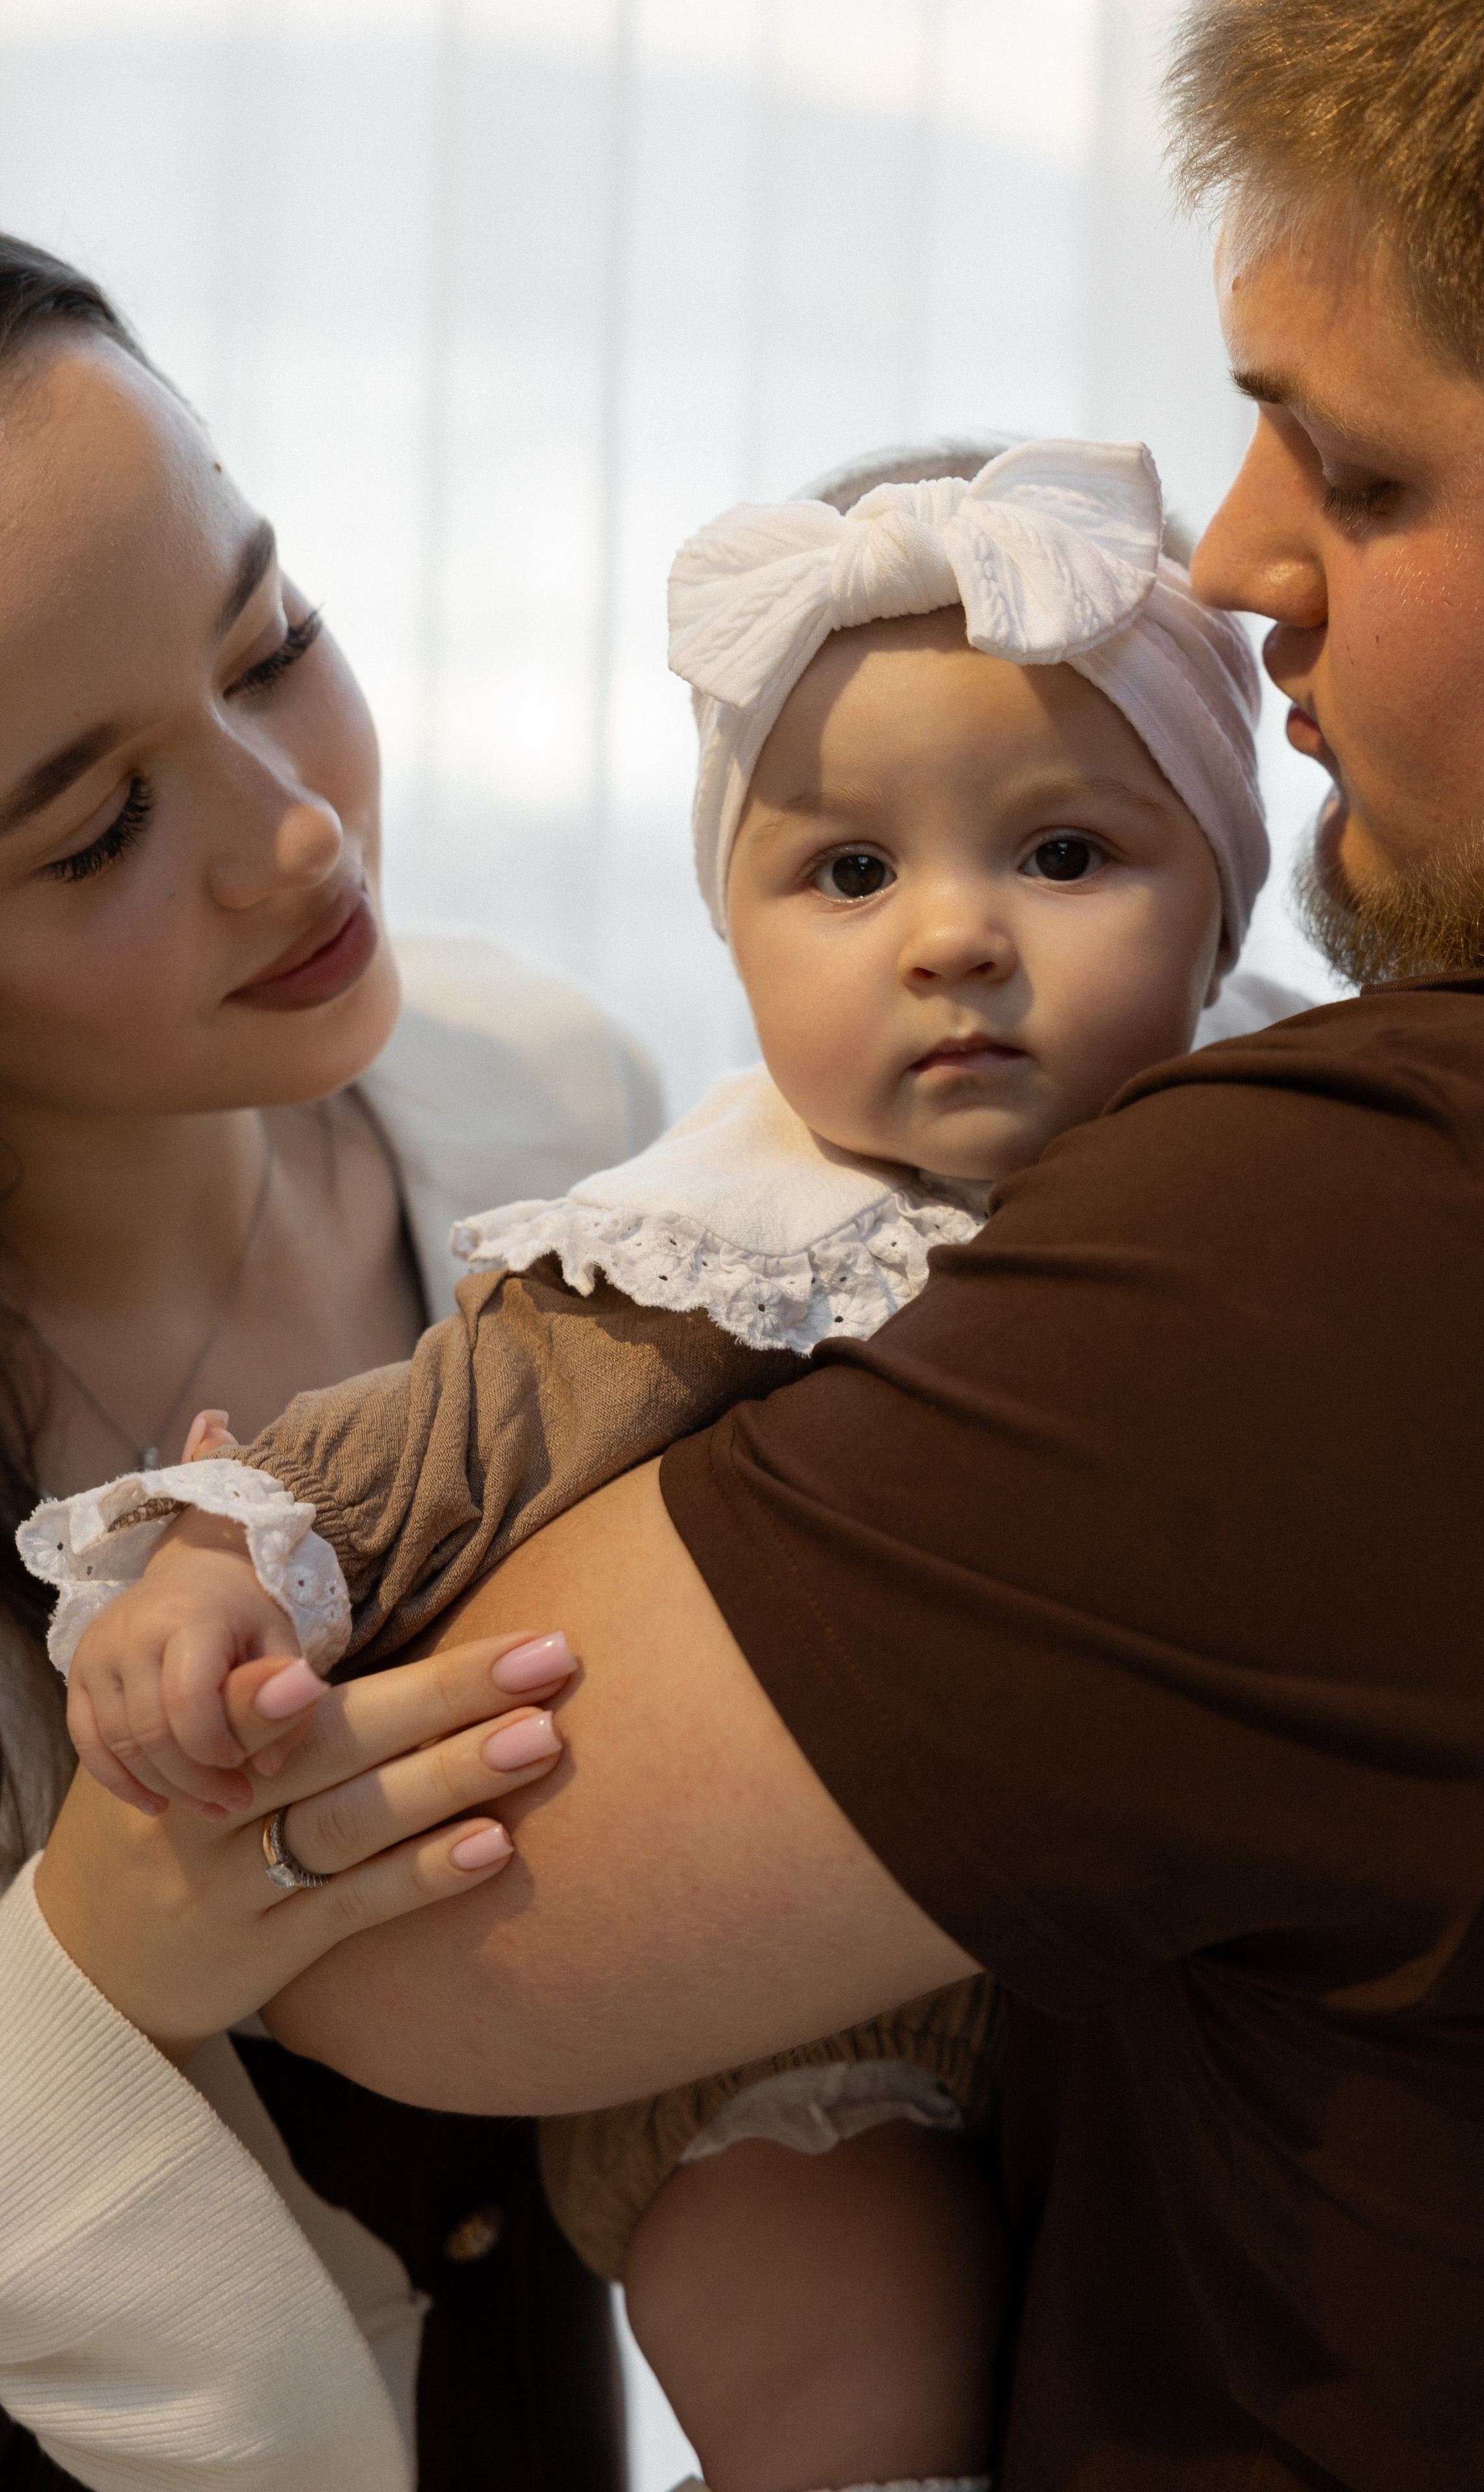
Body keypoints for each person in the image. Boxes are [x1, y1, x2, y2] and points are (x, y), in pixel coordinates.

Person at [42, 432, 1295, 2492]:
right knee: (851, 2375)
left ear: (1228, 882)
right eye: (849, 872)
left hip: (1165, 1972)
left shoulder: (1289, 1145)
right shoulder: (716, 1245)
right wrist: (214, 1574)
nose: (954, 939)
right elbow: (428, 1444)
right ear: (730, 926)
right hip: (801, 2043)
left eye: (1067, 857)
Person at [0, 235, 658, 2489]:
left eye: (273, 642)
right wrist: (79, 1981)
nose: (295, 831)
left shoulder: (553, 1124)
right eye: (94, 830)